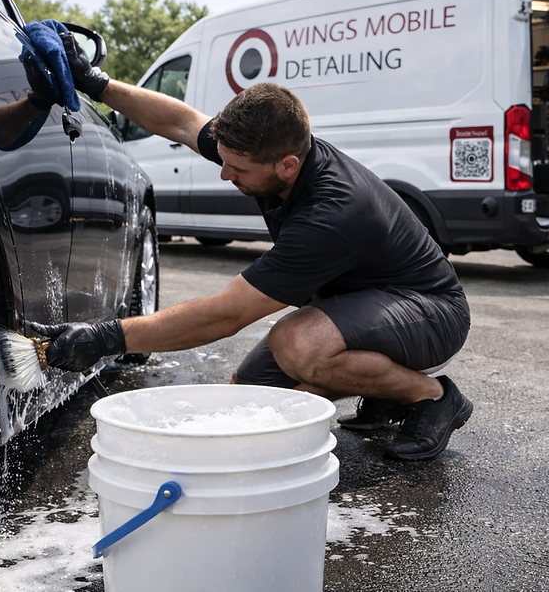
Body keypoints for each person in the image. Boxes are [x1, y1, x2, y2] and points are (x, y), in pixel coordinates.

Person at [32, 34, 473, 461]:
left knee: (297, 343)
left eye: (236, 168)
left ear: (287, 165)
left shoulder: (332, 213)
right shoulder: (259, 149)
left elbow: (229, 313)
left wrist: (109, 336)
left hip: (430, 312)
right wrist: (94, 80)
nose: (225, 174)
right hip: (365, 305)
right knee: (250, 396)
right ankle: (385, 394)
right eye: (223, 159)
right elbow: (182, 123)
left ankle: (433, 397)